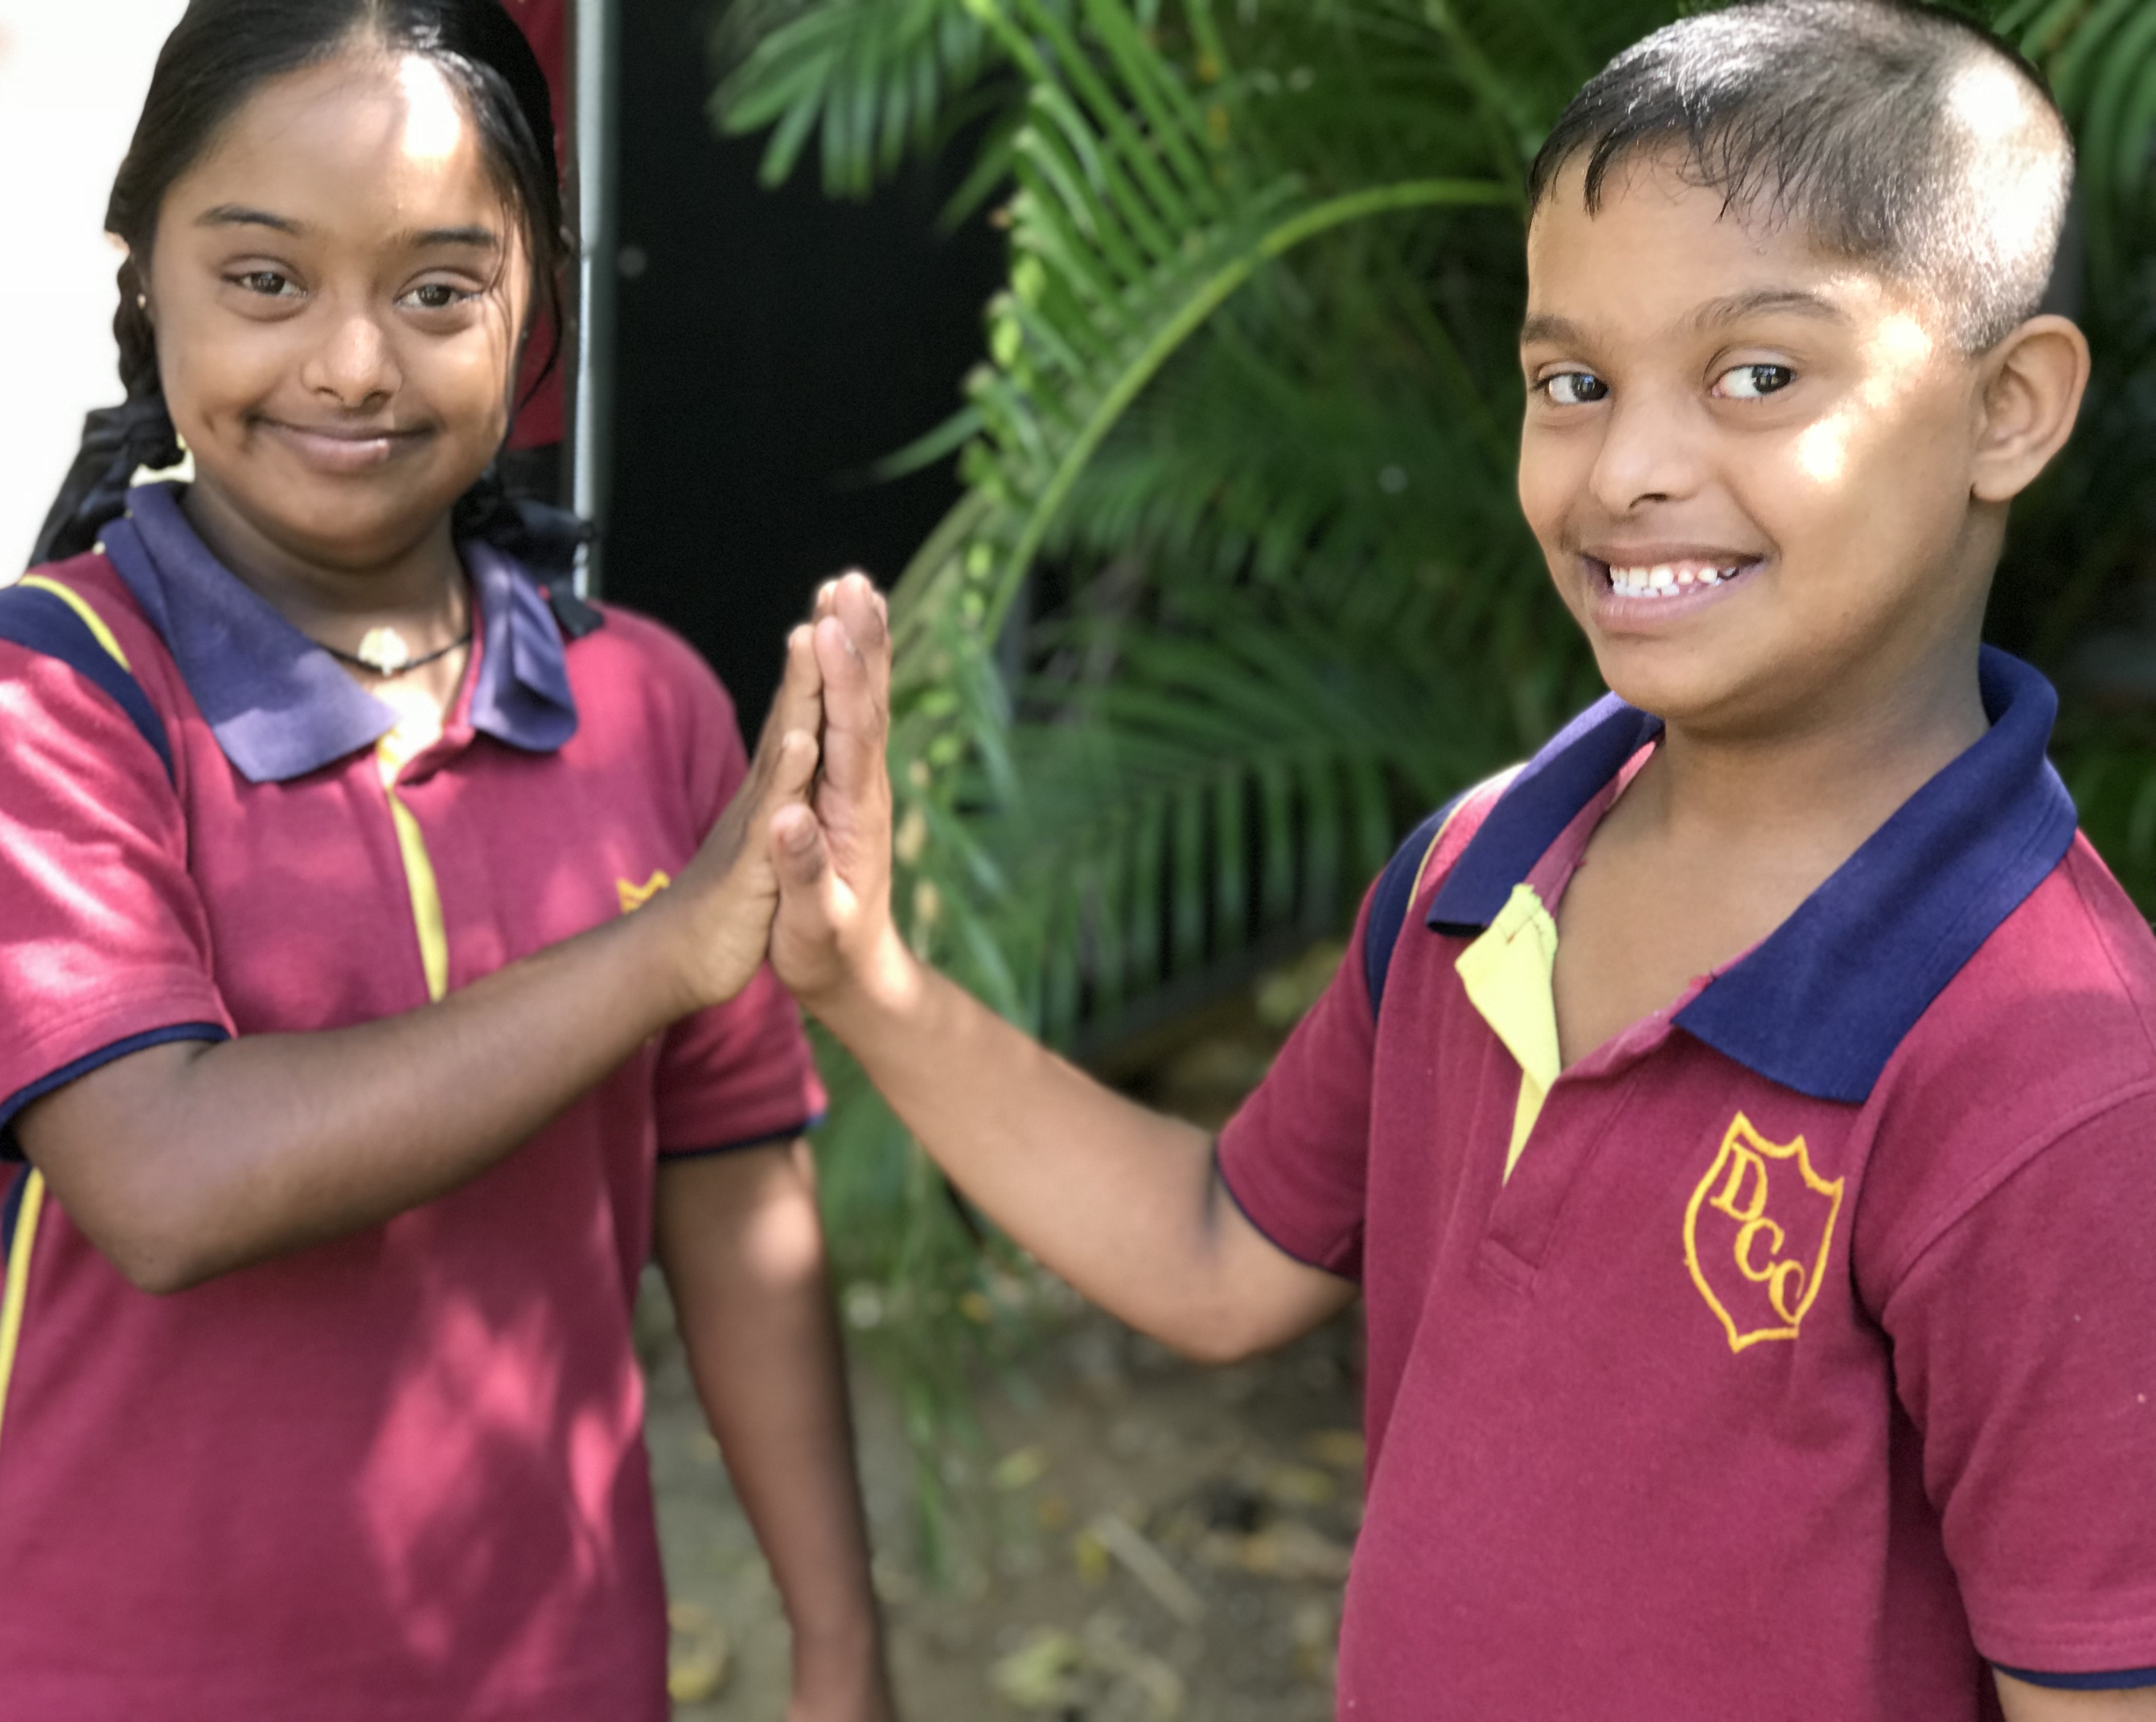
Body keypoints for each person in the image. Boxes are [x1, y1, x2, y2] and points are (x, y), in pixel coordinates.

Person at [765, 2, 2156, 1716]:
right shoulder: (1477, 877)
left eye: (1759, 376)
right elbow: (1218, 1252)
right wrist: (865, 976)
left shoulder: (2060, 1086)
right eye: (1573, 385)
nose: (1628, 470)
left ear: (2011, 408)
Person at [0, 3, 892, 1719]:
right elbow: (168, 1183)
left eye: (436, 292)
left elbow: (736, 1200)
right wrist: (656, 952)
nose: (352, 364)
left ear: (536, 307)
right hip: (122, 1676)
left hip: (559, 1671)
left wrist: (842, 1644)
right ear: (144, 282)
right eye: (266, 280)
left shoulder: (643, 706)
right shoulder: (35, 700)